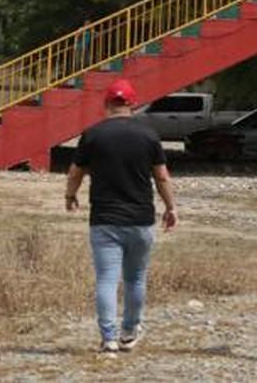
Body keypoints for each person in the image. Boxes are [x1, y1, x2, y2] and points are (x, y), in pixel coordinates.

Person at [65, 78, 177, 354]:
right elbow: (161, 177)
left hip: (104, 219)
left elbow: (75, 172)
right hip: (140, 219)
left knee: (106, 279)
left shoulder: (92, 134)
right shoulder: (148, 135)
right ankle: (129, 331)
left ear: (106, 103)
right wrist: (171, 207)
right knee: (136, 278)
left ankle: (108, 337)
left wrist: (70, 195)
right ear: (132, 103)